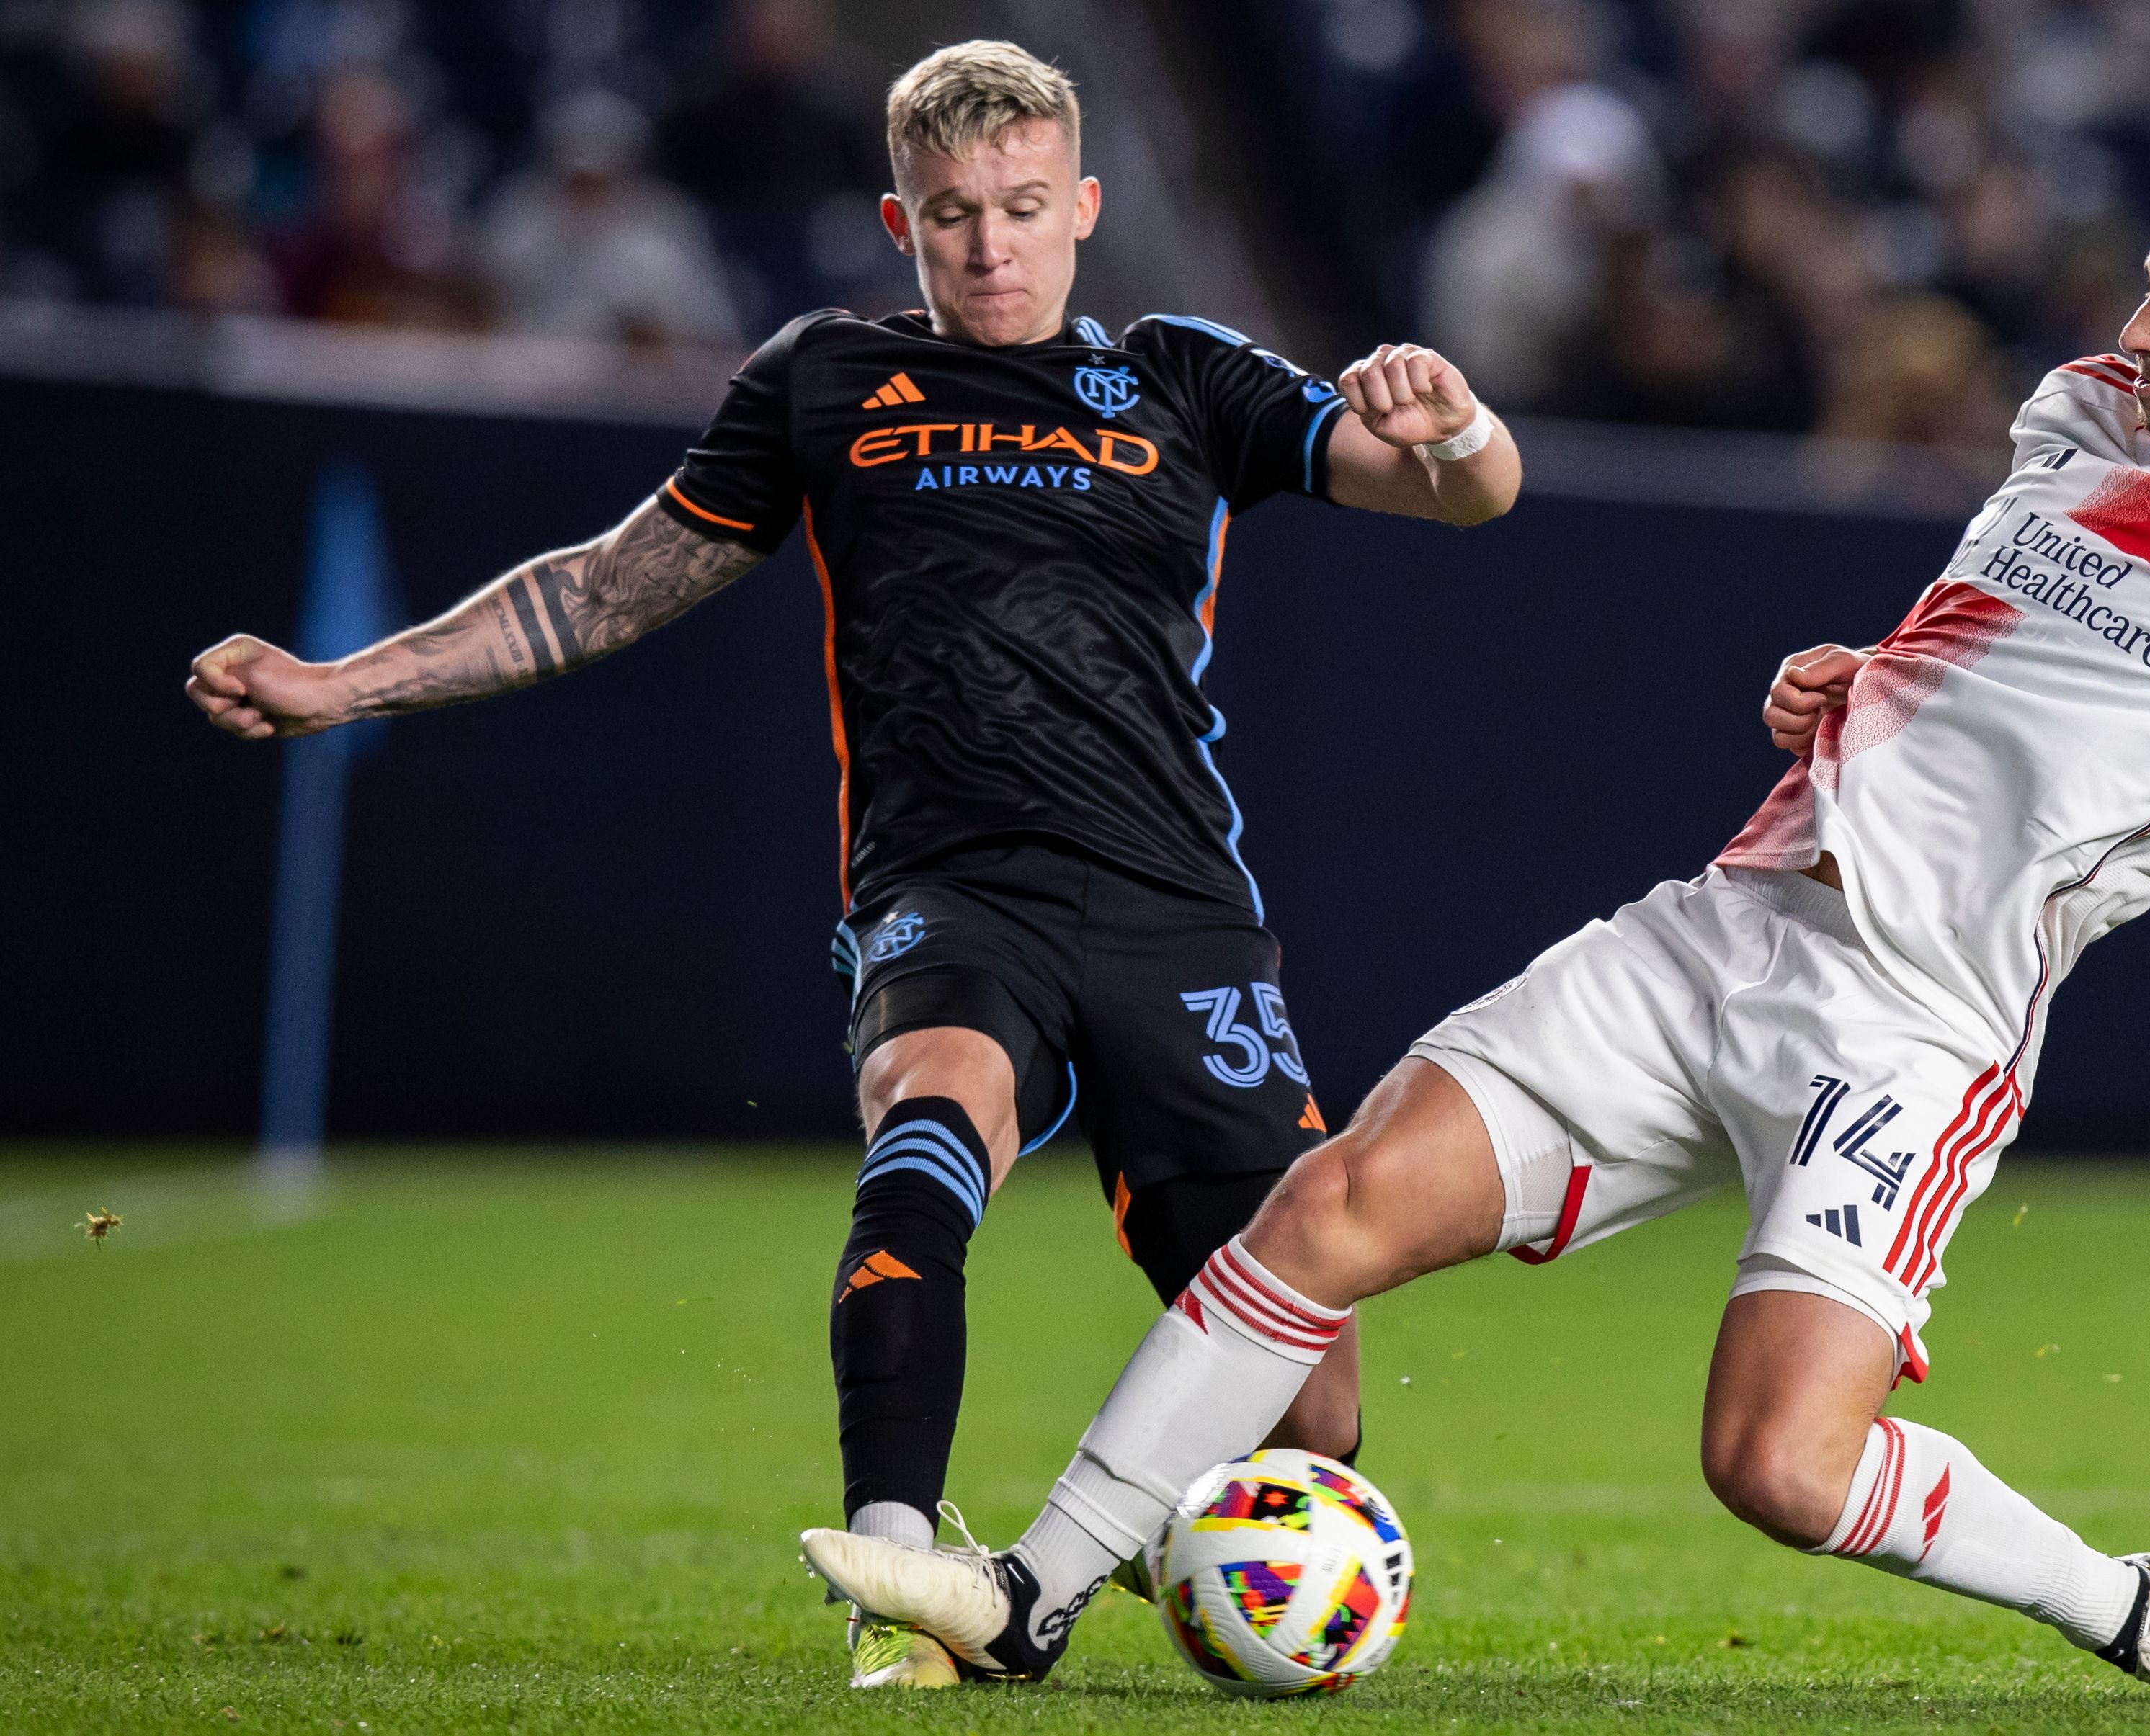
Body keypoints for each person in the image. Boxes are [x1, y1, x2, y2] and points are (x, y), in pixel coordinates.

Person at [797, 120, 2150, 1701]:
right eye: (2142, 284)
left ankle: (2127, 1609)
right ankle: (1033, 1598)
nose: (2129, 328)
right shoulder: (2065, 416)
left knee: (1769, 1459)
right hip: (1730, 922)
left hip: (1906, 1034)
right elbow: (1972, 646)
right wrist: (1841, 681)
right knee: (1327, 1205)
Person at [182, 40, 1523, 1689]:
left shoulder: (1182, 376)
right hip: (949, 884)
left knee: (1312, 1406)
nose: (991, 245)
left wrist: (1456, 428)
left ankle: (1131, 1566)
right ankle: (901, 1571)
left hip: (1180, 909)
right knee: (929, 1112)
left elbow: (1465, 497)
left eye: (1025, 208)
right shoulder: (825, 382)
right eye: (953, 215)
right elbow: (605, 584)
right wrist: (346, 681)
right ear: (902, 220)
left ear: (1086, 205)